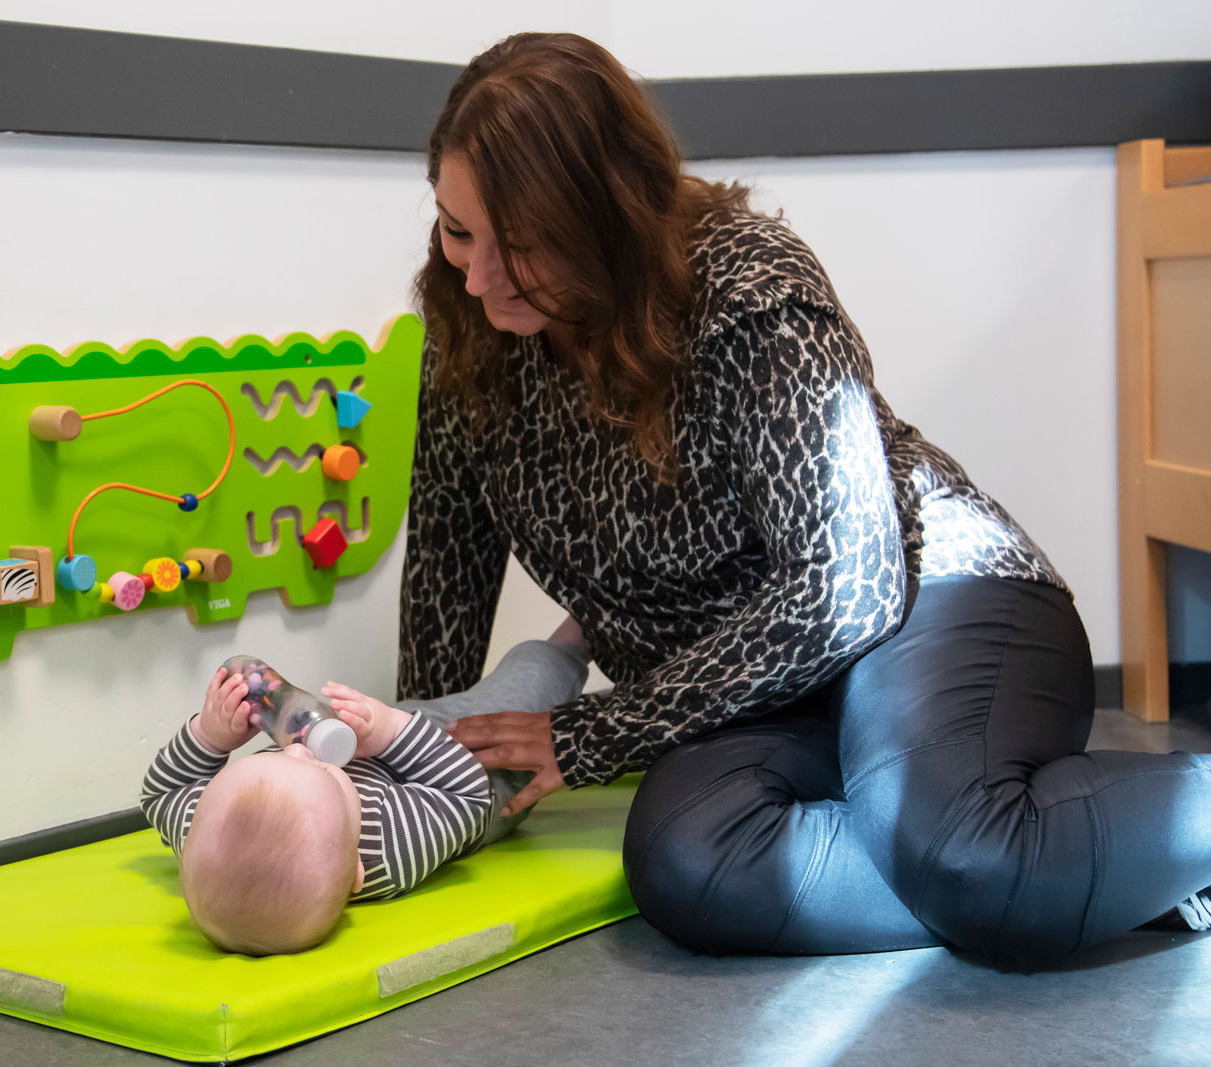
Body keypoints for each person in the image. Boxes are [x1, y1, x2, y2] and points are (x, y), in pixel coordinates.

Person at [397, 31, 1211, 970]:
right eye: (458, 230)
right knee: (686, 859)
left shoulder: (751, 287)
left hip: (927, 599)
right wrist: (399, 757)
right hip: (759, 688)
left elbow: (844, 591)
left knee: (963, 849)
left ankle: (1026, 858)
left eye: (523, 244)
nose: (478, 276)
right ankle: (1081, 869)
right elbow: (447, 570)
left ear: (607, 213)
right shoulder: (467, 324)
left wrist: (589, 735)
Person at [139, 623, 588, 955]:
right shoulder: (389, 847)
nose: (297, 751)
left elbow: (160, 794)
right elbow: (468, 795)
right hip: (462, 765)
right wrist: (392, 732)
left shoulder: (208, 833)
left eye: (272, 758)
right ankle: (581, 638)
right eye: (323, 773)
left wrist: (211, 737)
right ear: (356, 871)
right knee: (533, 673)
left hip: (384, 742)